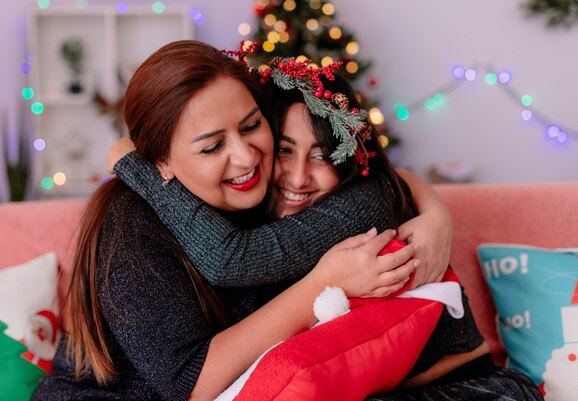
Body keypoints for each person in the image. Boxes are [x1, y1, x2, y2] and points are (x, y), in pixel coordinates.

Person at [107, 52, 543, 399]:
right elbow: (229, 261)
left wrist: (433, 214)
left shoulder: (357, 204)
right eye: (283, 150)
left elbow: (230, 261)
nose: (296, 178)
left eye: (321, 155)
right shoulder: (236, 209)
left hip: (469, 387)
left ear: (350, 160)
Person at [31, 40, 427, 401]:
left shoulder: (275, 191)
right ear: (159, 164)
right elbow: (192, 383)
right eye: (213, 146)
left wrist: (434, 215)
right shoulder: (130, 224)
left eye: (252, 126)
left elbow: (379, 187)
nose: (246, 156)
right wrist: (323, 283)